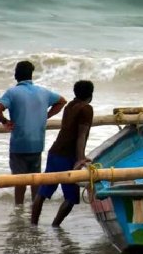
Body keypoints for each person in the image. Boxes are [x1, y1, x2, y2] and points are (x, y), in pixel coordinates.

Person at [0, 60, 67, 205]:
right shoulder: (44, 92)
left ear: (16, 75)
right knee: (35, 179)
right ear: (31, 75)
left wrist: (5, 122)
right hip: (37, 143)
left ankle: (19, 209)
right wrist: (46, 115)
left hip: (19, 144)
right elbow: (62, 101)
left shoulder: (12, 92)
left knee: (19, 181)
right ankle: (35, 207)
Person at [31, 80, 95, 227]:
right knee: (71, 197)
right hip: (68, 156)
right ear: (90, 94)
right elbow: (81, 135)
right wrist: (80, 159)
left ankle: (33, 225)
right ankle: (55, 226)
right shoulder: (86, 109)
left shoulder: (70, 106)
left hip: (55, 153)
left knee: (43, 192)